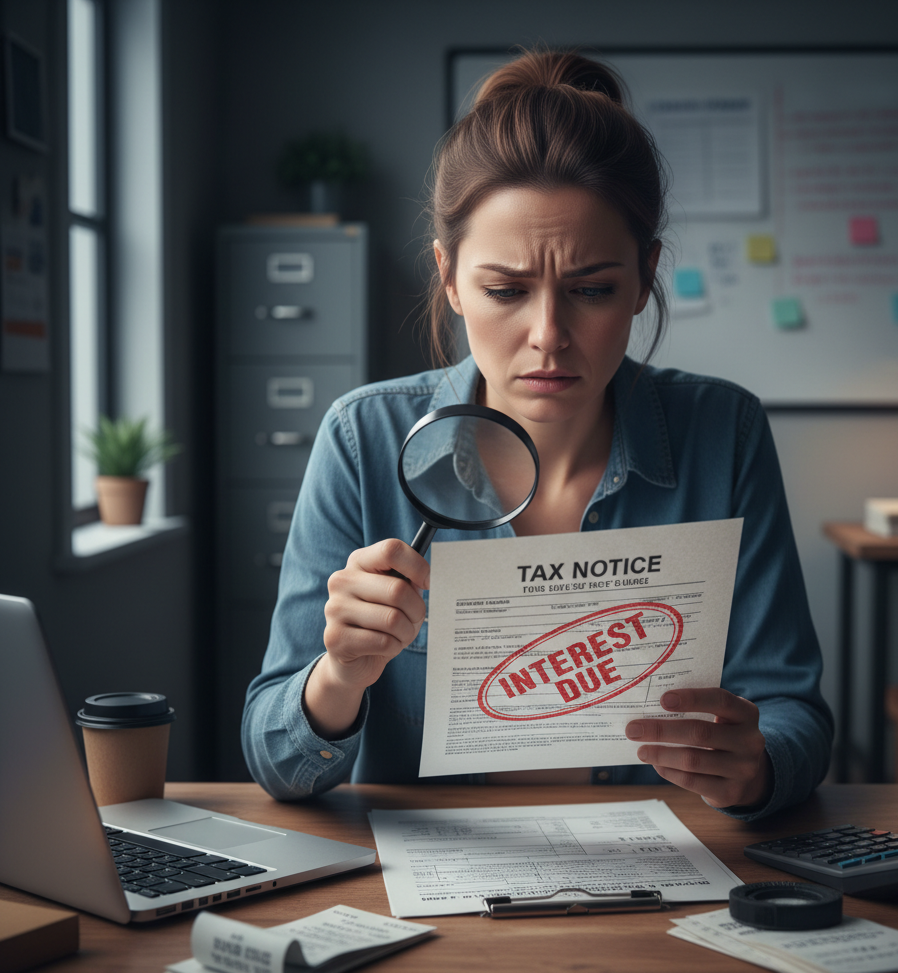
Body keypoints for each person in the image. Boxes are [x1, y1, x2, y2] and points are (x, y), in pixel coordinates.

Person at [242, 50, 833, 819]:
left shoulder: (724, 433)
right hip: (433, 885)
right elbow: (275, 760)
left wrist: (756, 766)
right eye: (505, 290)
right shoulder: (364, 437)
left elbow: (796, 718)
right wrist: (338, 677)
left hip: (661, 880)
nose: (548, 336)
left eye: (592, 289)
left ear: (646, 275)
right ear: (449, 278)